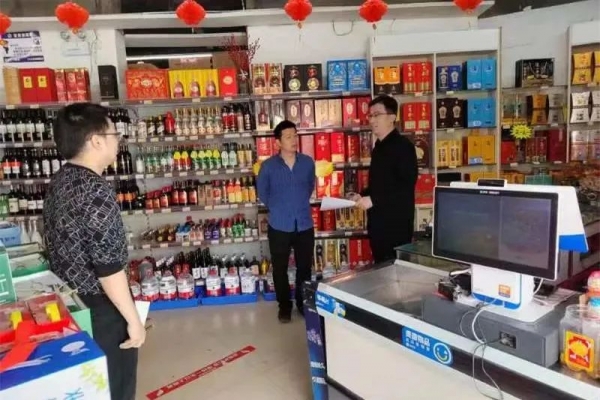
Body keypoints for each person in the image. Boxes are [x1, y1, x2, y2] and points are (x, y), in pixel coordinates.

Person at [43, 103, 145, 400]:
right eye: (114, 134)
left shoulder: (60, 180)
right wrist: (133, 321)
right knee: (116, 385)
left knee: (90, 386)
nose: (118, 140)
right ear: (96, 141)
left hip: (72, 304)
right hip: (102, 310)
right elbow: (108, 268)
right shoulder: (95, 190)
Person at [257, 120, 315, 323]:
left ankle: (302, 302)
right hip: (279, 224)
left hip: (304, 223)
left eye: (295, 135)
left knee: (304, 267)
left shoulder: (307, 163)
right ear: (278, 142)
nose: (294, 140)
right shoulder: (268, 167)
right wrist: (278, 207)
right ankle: (284, 306)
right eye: (288, 137)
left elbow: (310, 186)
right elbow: (263, 193)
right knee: (279, 268)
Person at [352, 95, 418, 263]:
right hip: (377, 224)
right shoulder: (378, 148)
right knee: (380, 267)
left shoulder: (403, 147)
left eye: (377, 115)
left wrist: (373, 200)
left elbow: (405, 186)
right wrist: (362, 195)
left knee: (395, 271)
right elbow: (379, 184)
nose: (372, 120)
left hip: (396, 225)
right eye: (370, 115)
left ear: (392, 117)